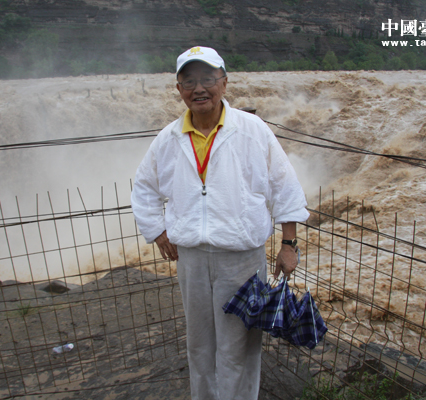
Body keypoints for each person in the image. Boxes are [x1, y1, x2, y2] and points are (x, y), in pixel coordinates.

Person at [130, 46, 309, 400]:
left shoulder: (251, 130)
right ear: (179, 88)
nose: (200, 89)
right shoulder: (168, 139)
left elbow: (284, 185)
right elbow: (144, 187)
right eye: (189, 81)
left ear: (224, 83)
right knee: (200, 344)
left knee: (239, 347)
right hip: (192, 260)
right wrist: (157, 231)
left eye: (208, 79)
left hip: (241, 259)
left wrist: (289, 244)